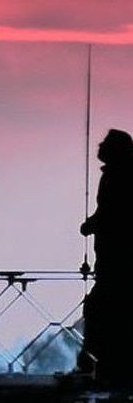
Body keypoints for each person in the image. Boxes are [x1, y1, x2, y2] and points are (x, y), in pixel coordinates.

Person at [80, 128, 131, 383]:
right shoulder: (118, 175)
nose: (99, 147)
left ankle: (100, 359)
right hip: (113, 260)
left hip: (116, 261)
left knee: (101, 309)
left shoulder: (116, 177)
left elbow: (111, 213)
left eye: (105, 144)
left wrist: (90, 225)